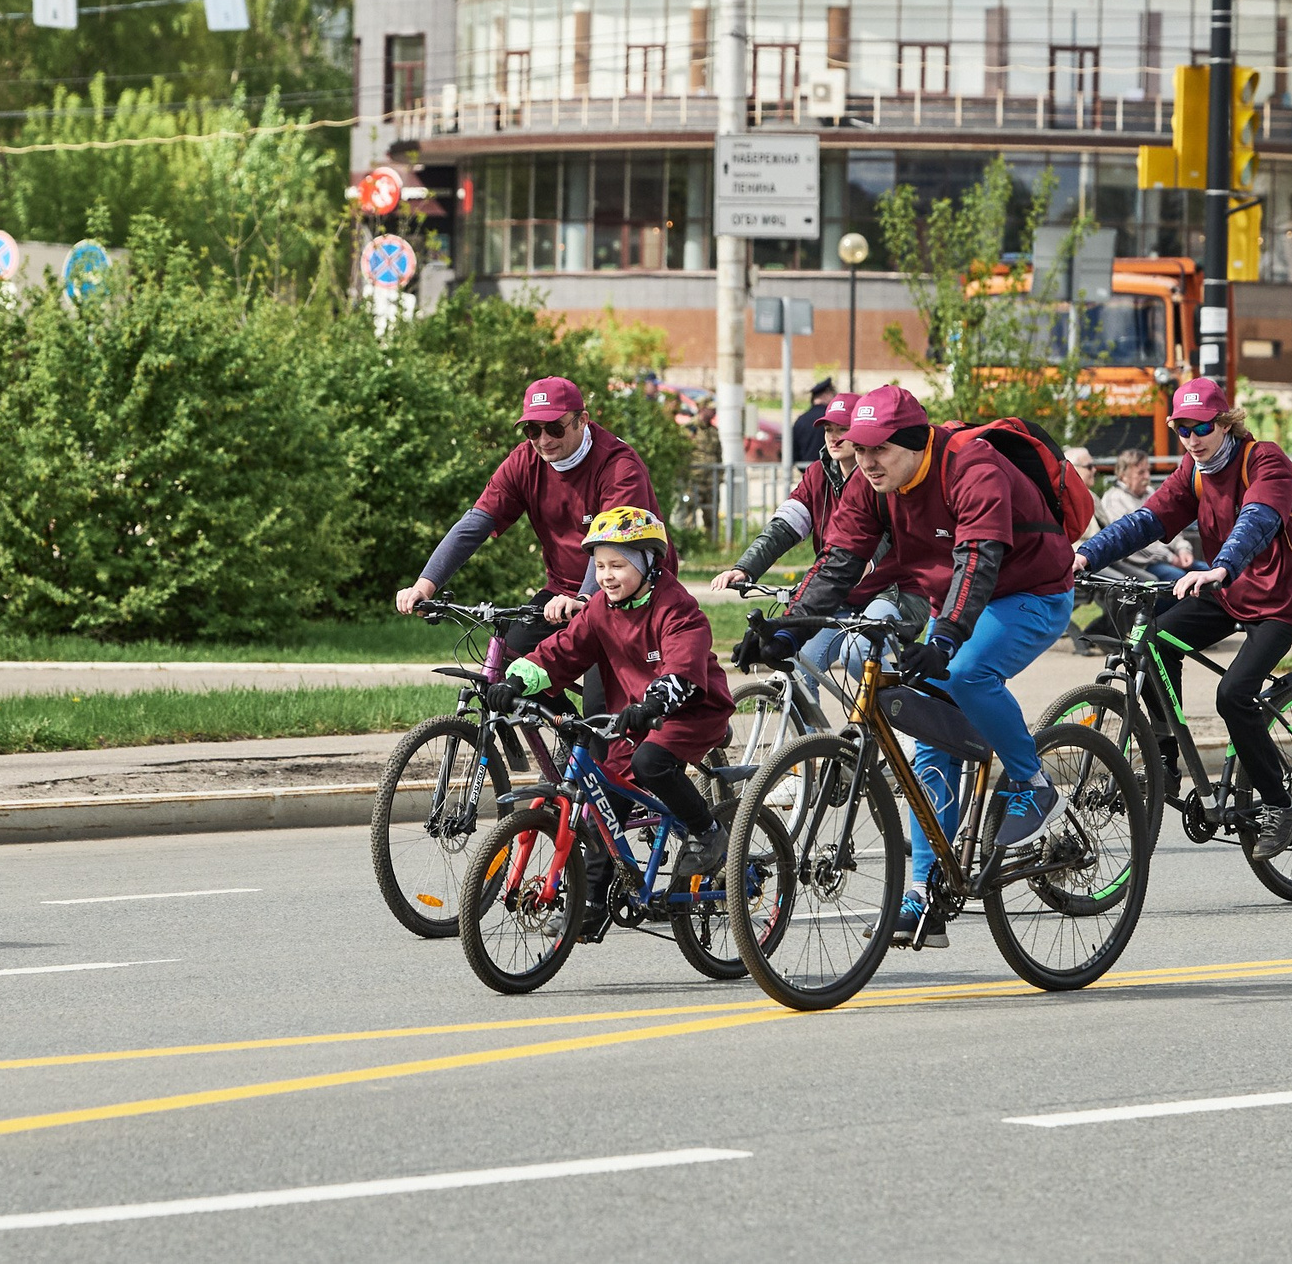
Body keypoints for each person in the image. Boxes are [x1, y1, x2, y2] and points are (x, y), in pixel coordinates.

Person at [768, 385, 1078, 947]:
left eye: (877, 450)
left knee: (964, 674)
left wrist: (948, 638)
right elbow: (839, 562)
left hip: (1031, 592)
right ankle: (923, 895)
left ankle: (1033, 783)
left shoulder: (971, 467)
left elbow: (979, 559)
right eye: (857, 450)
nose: (863, 462)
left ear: (912, 443)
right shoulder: (871, 483)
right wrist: (788, 629)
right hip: (955, 601)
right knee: (929, 736)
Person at [1072, 379, 1292, 857]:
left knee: (1233, 694)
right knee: (1153, 643)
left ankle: (1281, 803)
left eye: (1201, 426)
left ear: (1225, 422)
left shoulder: (1264, 460)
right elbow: (1147, 521)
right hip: (1229, 589)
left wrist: (1220, 566)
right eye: (1181, 427)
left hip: (1283, 597)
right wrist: (1086, 556)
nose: (1192, 437)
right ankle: (1164, 753)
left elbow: (1258, 518)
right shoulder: (1193, 469)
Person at [483, 506, 736, 919]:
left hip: (690, 710)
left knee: (651, 761)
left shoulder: (677, 607)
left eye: (618, 565)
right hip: (634, 716)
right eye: (599, 565)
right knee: (605, 803)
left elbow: (683, 668)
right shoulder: (601, 607)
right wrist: (517, 680)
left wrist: (653, 704)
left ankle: (707, 832)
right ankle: (594, 905)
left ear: (648, 563)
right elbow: (564, 649)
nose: (606, 575)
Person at [395, 378, 666, 694]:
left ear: (582, 420)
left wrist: (583, 599)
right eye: (532, 430)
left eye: (554, 428)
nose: (543, 440)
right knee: (508, 672)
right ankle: (565, 734)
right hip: (560, 593)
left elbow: (613, 544)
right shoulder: (524, 461)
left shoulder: (618, 466)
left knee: (601, 710)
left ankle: (598, 738)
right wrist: (424, 586)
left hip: (626, 593)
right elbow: (474, 526)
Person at [711, 393, 931, 682]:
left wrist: (861, 566)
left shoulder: (884, 476)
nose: (834, 438)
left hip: (892, 592)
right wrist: (745, 568)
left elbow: (871, 547)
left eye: (843, 430)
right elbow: (783, 528)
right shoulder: (817, 475)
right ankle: (817, 731)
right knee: (798, 665)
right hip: (841, 597)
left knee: (858, 654)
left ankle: (910, 707)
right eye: (829, 430)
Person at [1095, 448, 1193, 584]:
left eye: (1148, 470)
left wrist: (1182, 549)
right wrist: (1170, 557)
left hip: (1168, 557)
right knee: (1180, 580)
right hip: (1142, 564)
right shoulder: (1114, 499)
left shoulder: (1150, 492)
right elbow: (1131, 540)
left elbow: (1172, 524)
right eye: (1141, 472)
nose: (1147, 476)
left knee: (1205, 572)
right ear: (1123, 476)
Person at [790, 379, 840, 468]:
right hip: (832, 472)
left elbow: (793, 452)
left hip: (806, 472)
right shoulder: (832, 418)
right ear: (827, 394)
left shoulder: (801, 420)